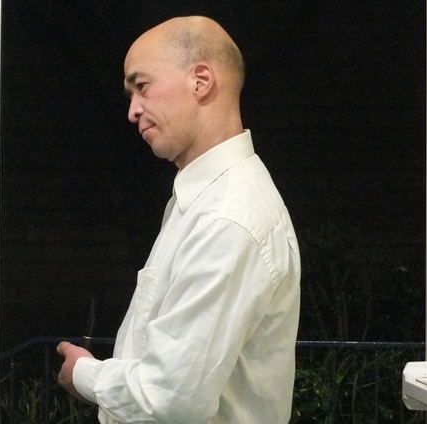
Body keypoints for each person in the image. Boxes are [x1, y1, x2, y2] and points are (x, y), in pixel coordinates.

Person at [57, 15, 301, 424]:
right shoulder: (202, 199)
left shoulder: (227, 216)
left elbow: (171, 396)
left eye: (142, 86)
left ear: (201, 81)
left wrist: (85, 374)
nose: (133, 110)